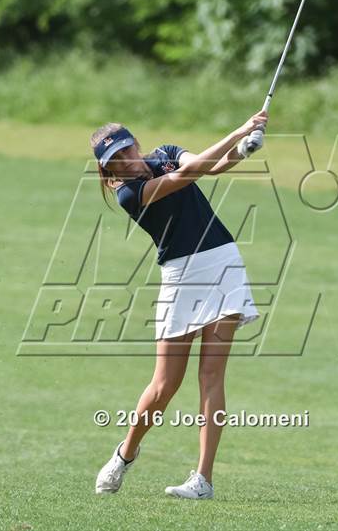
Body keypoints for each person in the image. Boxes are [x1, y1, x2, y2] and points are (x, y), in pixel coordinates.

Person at [91, 110, 268, 499]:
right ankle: (125, 453)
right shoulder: (129, 194)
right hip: (180, 276)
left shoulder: (167, 153)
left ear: (135, 143)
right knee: (165, 384)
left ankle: (203, 480)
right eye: (115, 162)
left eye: (126, 151)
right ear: (108, 171)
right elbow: (188, 176)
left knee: (211, 377)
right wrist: (238, 129)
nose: (125, 161)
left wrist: (244, 148)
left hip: (222, 263)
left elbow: (214, 167)